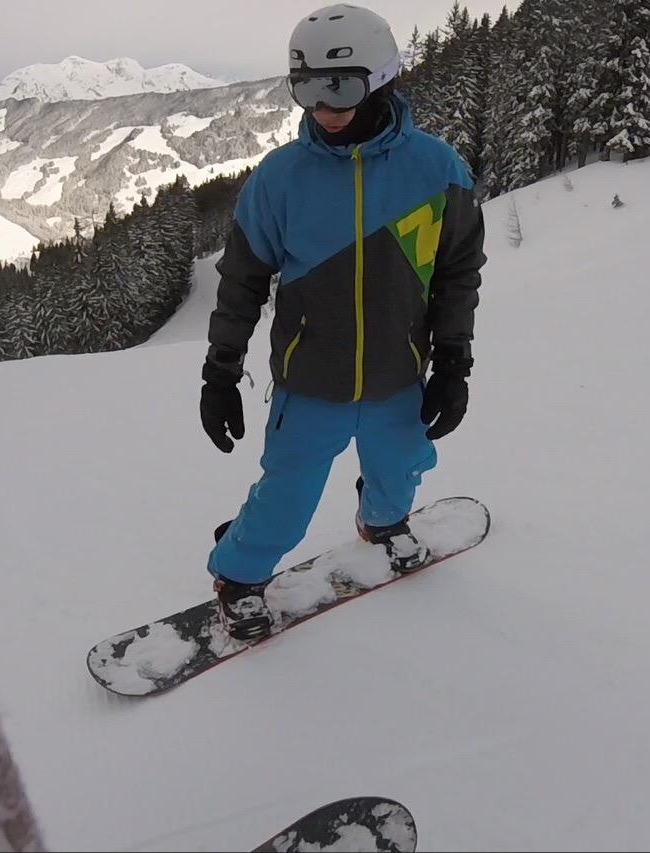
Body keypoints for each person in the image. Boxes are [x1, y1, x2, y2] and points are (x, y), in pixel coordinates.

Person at [199, 2, 486, 641]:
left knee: (402, 467)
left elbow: (457, 273)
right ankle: (239, 575)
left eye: (340, 88)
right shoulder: (279, 179)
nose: (324, 108)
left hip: (398, 374)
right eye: (306, 89)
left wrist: (453, 361)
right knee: (287, 493)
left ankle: (382, 523)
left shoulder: (436, 170)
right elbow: (241, 284)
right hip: (310, 381)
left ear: (382, 79)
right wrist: (221, 371)